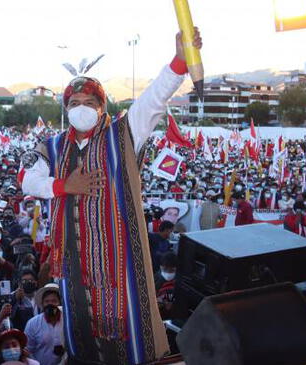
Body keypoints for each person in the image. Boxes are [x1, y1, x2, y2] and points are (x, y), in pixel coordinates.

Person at [20, 30, 202, 363]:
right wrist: (63, 187)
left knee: (130, 328)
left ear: (103, 105)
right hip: (75, 264)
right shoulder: (53, 146)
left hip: (121, 261)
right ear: (66, 109)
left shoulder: (124, 133)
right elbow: (27, 181)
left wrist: (179, 61)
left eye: (89, 102)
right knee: (82, 331)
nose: (82, 108)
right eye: (74, 104)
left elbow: (154, 98)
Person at [25, 283, 64, 365]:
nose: (50, 304)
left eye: (54, 301)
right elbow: (27, 350)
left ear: (59, 302)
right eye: (47, 301)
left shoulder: (67, 321)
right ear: (42, 304)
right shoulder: (33, 323)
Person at [154, 251, 177, 320]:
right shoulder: (155, 279)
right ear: (161, 267)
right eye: (165, 269)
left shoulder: (177, 283)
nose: (168, 273)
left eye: (171, 270)